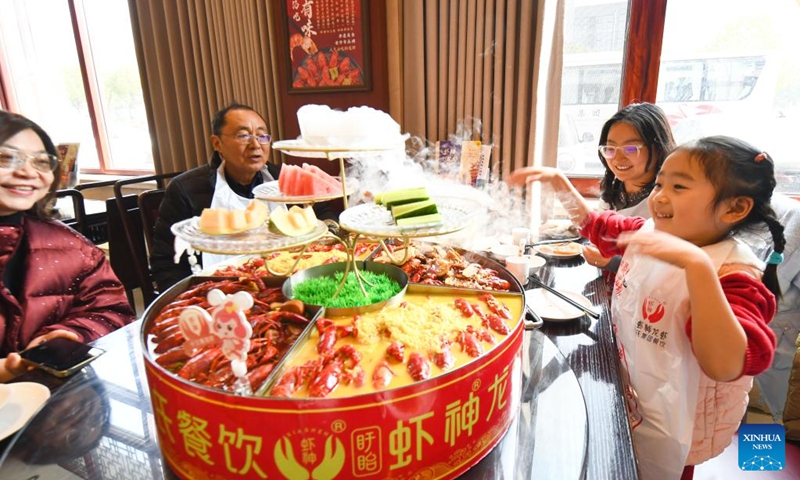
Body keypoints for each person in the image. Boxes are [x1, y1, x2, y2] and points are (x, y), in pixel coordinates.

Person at [509, 136, 783, 479]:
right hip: (634, 387)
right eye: (659, 184)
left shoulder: (734, 274)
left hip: (684, 418)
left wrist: (696, 266)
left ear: (734, 208)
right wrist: (558, 183)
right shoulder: (651, 230)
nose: (660, 196)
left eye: (679, 186)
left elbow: (726, 364)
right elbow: (598, 227)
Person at [0, 112, 135, 382]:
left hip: (56, 405)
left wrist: (71, 334)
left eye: (41, 162)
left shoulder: (73, 247)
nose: (28, 171)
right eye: (6, 157)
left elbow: (111, 310)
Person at [511, 102, 676, 271]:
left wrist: (613, 262)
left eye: (631, 149)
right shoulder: (614, 186)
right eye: (610, 149)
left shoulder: (664, 202)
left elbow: (664, 266)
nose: (618, 159)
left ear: (657, 147)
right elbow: (598, 227)